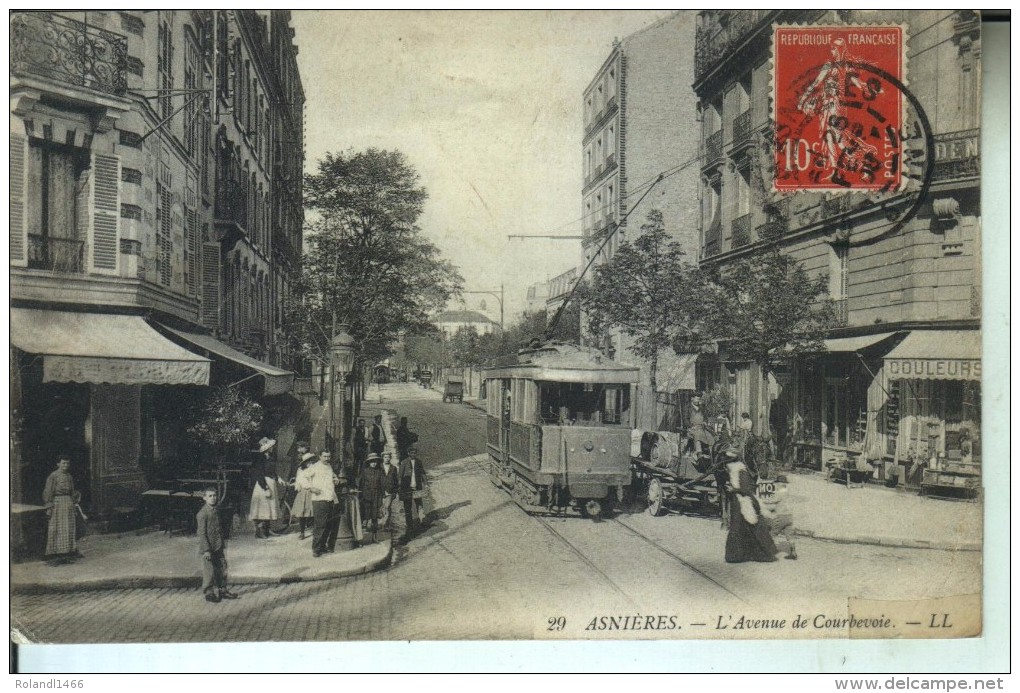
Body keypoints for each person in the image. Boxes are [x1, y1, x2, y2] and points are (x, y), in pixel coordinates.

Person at [723, 446, 778, 564]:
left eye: (728, 459)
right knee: (743, 527)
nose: (727, 461)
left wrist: (733, 489)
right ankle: (743, 554)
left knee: (741, 527)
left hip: (743, 501)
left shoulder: (739, 470)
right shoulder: (735, 469)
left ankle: (738, 555)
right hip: (738, 501)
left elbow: (745, 489)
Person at [197, 487, 238, 603]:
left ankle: (222, 589)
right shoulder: (202, 514)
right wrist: (206, 550)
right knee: (209, 570)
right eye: (210, 496)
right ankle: (209, 592)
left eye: (214, 495)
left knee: (222, 568)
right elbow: (202, 533)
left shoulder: (217, 510)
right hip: (209, 548)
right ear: (204, 498)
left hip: (218, 545)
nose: (213, 498)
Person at [42, 454, 81, 565]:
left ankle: (68, 551)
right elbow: (48, 491)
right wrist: (49, 506)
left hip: (68, 503)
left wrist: (74, 503)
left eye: (67, 463)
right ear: (58, 464)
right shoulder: (53, 476)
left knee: (68, 527)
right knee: (57, 527)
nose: (66, 465)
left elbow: (72, 491)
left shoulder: (69, 476)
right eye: (63, 463)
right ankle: (55, 552)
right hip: (57, 504)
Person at [248, 437, 285, 538]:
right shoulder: (259, 459)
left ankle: (267, 530)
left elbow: (271, 472)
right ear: (266, 448)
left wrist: (279, 479)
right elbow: (259, 474)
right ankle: (259, 531)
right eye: (271, 447)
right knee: (263, 508)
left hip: (271, 482)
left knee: (269, 507)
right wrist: (265, 488)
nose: (272, 448)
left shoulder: (270, 457)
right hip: (263, 484)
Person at [307, 450, 340, 557]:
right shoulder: (314, 467)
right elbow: (302, 477)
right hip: (319, 500)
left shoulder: (329, 466)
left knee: (328, 525)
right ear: (320, 457)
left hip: (330, 499)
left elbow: (334, 477)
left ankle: (322, 546)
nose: (327, 458)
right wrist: (311, 488)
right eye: (324, 456)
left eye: (328, 456)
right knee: (320, 525)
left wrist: (336, 480)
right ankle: (315, 549)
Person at [398, 445, 428, 542]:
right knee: (408, 507)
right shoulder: (404, 463)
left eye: (414, 453)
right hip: (407, 488)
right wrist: (400, 487)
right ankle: (409, 525)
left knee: (419, 504)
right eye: (411, 453)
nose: (413, 455)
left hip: (417, 487)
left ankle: (422, 521)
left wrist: (426, 484)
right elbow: (400, 476)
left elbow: (423, 473)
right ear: (408, 453)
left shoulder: (419, 462)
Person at [359, 453, 386, 543]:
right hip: (366, 496)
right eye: (372, 462)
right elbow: (361, 484)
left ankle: (374, 537)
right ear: (369, 462)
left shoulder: (380, 471)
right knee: (366, 516)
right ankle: (363, 537)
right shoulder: (365, 471)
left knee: (375, 516)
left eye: (375, 461)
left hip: (377, 495)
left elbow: (382, 484)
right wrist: (362, 495)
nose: (374, 463)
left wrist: (383, 495)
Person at [291, 452, 317, 540]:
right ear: (305, 463)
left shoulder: (315, 469)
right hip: (303, 492)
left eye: (311, 461)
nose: (310, 463)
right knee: (301, 513)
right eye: (308, 461)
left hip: (313, 491)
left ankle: (314, 530)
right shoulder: (301, 470)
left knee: (313, 512)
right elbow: (300, 481)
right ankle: (302, 532)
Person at [381, 452, 400, 531]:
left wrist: (395, 492)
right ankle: (387, 524)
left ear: (390, 458)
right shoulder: (379, 467)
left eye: (388, 457)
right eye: (385, 457)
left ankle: (384, 525)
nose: (387, 459)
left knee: (387, 507)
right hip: (381, 491)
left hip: (390, 491)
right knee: (384, 508)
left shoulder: (393, 468)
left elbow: (395, 481)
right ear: (383, 458)